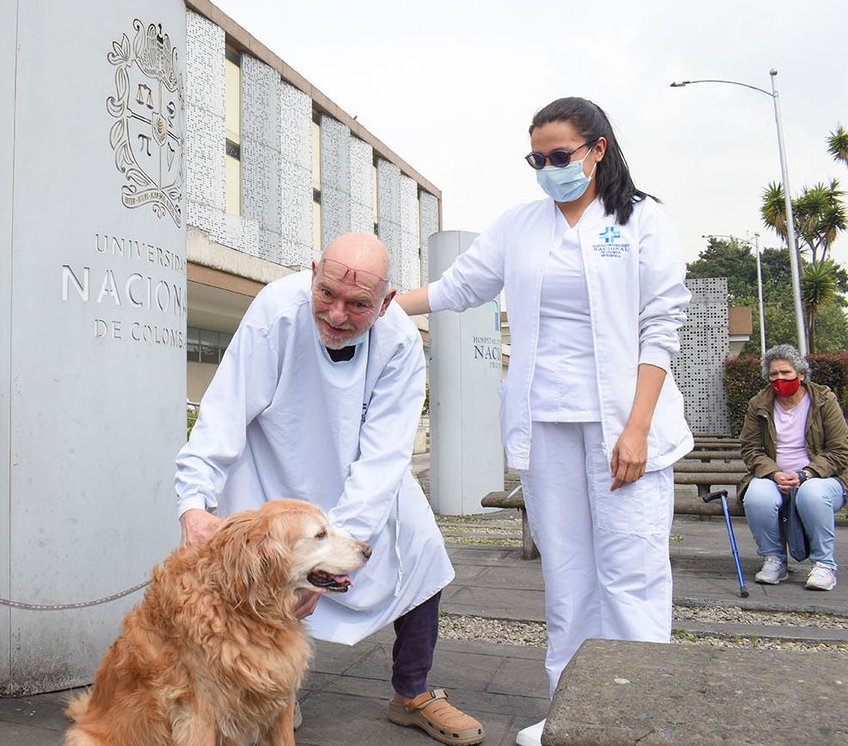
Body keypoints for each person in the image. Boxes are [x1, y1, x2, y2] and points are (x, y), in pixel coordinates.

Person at [397, 97, 693, 746]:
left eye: (560, 156)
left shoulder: (641, 221)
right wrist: (382, 305)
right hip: (548, 425)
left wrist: (638, 427)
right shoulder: (520, 225)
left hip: (623, 428)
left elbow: (660, 326)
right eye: (537, 159)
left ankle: (633, 720)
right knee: (567, 578)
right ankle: (571, 715)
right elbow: (459, 287)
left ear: (597, 150)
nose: (549, 169)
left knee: (631, 575)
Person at [176, 232, 484, 746]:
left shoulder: (401, 342)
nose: (337, 315)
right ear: (313, 273)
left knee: (424, 551)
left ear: (386, 302)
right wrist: (193, 502)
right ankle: (272, 692)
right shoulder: (276, 309)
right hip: (271, 469)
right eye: (326, 294)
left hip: (360, 476)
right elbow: (223, 413)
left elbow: (383, 458)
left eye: (358, 304)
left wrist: (327, 560)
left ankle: (411, 693)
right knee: (249, 577)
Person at [739, 344, 848, 591]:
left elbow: (840, 451)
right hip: (773, 477)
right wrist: (774, 473)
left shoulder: (824, 400)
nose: (779, 379)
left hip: (822, 479)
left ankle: (824, 565)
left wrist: (806, 474)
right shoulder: (758, 403)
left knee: (812, 493)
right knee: (757, 496)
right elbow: (750, 449)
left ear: (801, 374)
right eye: (773, 374)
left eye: (785, 373)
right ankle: (774, 560)